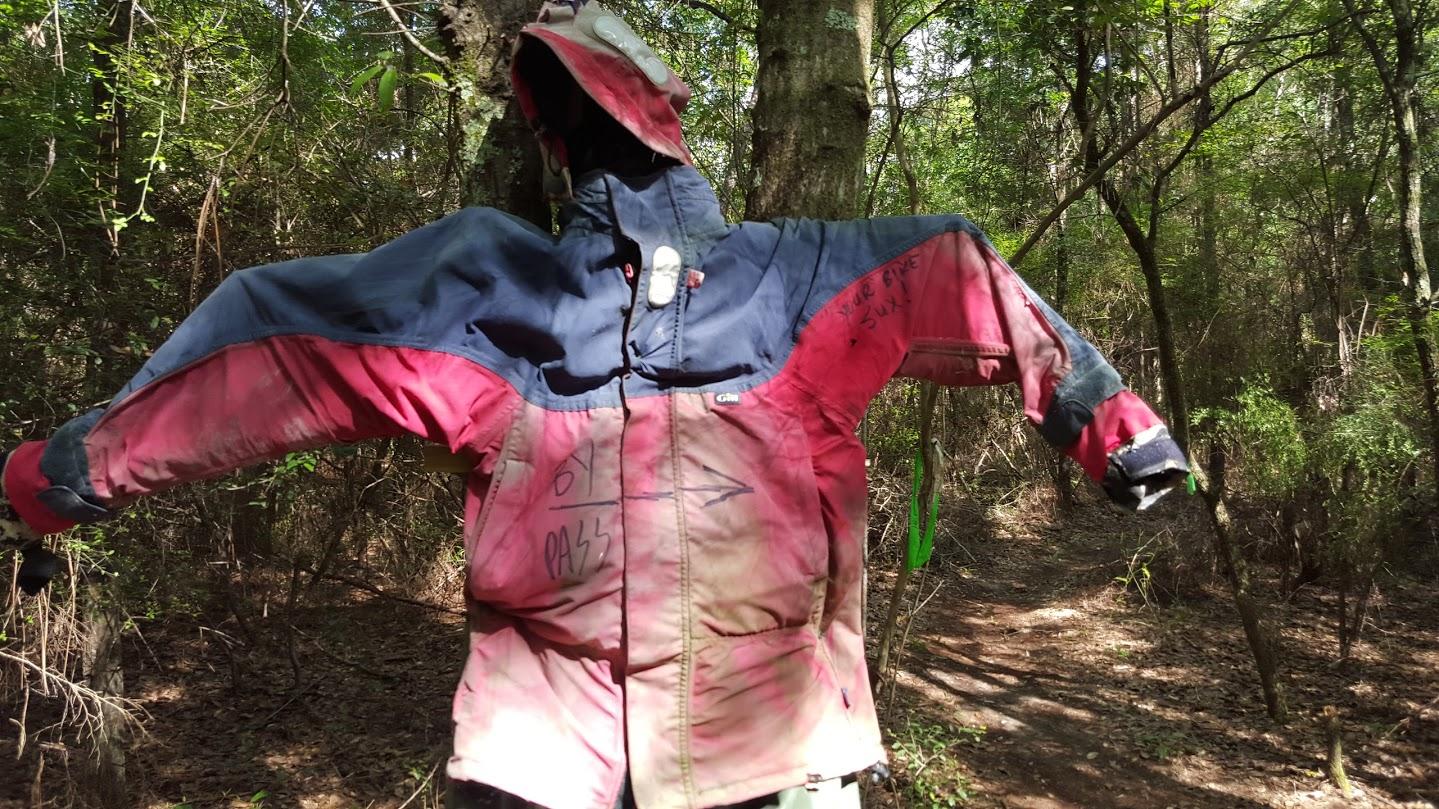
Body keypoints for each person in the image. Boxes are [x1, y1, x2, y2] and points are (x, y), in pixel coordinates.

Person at [0, 1, 1190, 806]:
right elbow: (957, 264)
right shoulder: (760, 272)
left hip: (615, 752)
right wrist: (1115, 426)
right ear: (673, 130)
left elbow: (280, 337)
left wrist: (70, 470)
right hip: (696, 747)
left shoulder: (495, 283)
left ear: (556, 147)